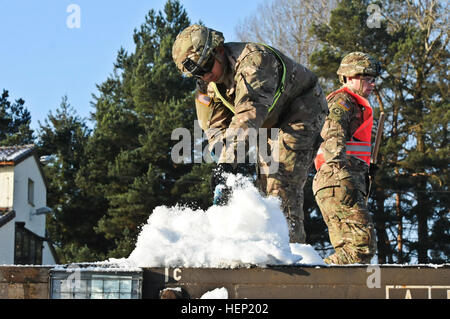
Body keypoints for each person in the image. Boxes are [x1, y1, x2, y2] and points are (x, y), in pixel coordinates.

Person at [172, 24, 328, 243]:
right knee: (264, 189)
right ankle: (270, 251)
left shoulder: (254, 63)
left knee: (279, 184)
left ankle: (291, 255)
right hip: (268, 122)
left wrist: (228, 162)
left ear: (218, 50)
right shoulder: (206, 84)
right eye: (197, 73)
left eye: (206, 66)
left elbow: (249, 114)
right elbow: (215, 128)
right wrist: (225, 165)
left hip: (302, 110)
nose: (205, 75)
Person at [312, 52, 381, 264]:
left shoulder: (354, 104)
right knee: (360, 246)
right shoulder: (342, 101)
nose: (372, 84)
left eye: (373, 79)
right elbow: (332, 136)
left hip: (341, 180)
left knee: (354, 251)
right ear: (350, 77)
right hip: (338, 180)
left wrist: (364, 168)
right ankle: (312, 284)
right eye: (367, 78)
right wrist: (343, 175)